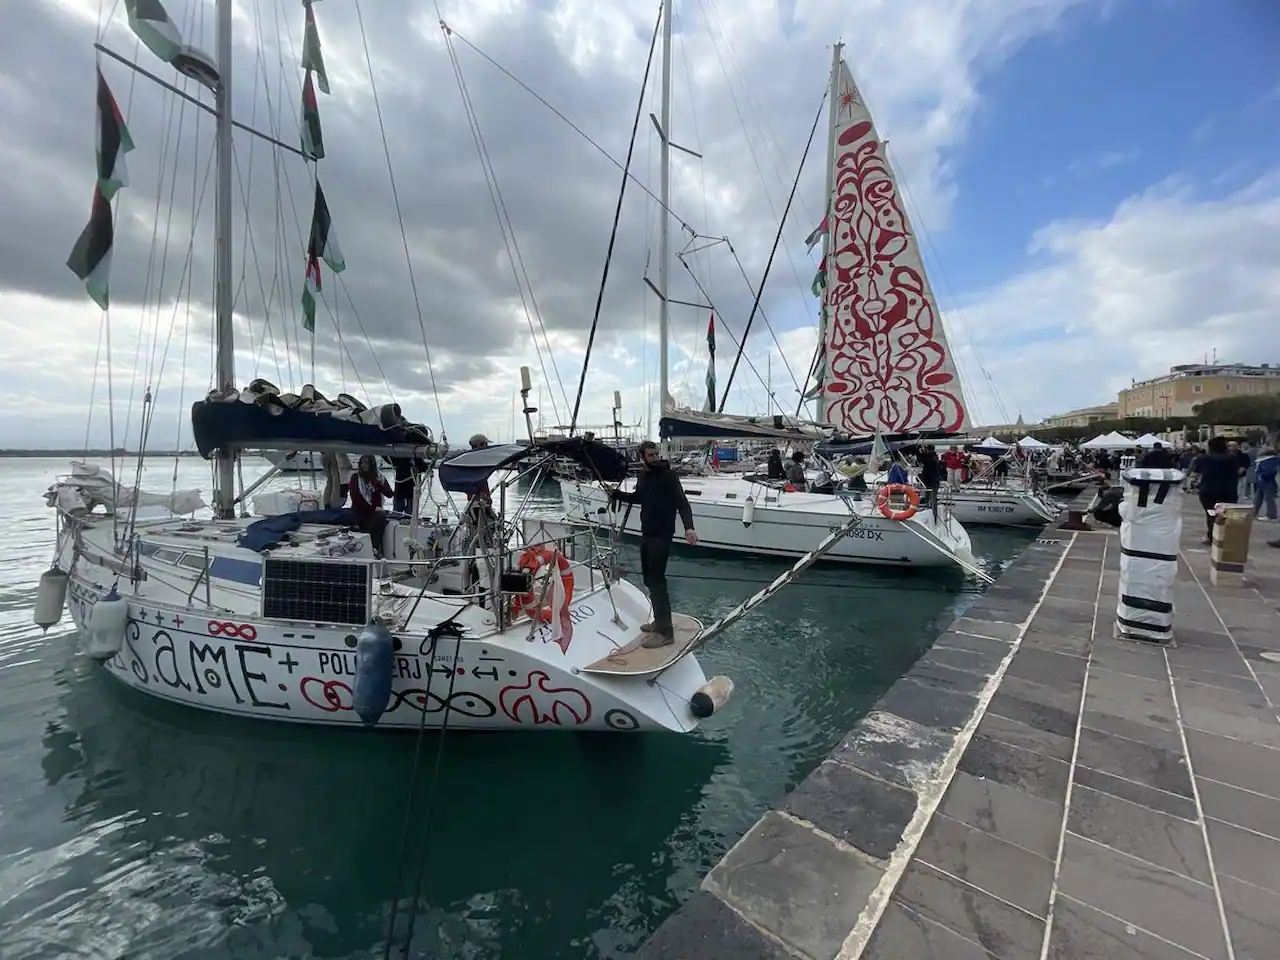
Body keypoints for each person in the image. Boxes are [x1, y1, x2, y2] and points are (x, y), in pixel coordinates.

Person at [609, 440, 697, 648]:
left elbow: (682, 503)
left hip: (662, 535)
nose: (655, 458)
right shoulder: (643, 476)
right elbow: (640, 497)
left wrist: (689, 527)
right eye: (651, 455)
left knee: (657, 581)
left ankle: (666, 633)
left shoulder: (668, 476)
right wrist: (617, 494)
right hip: (647, 533)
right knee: (649, 579)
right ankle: (659, 621)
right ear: (642, 458)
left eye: (656, 454)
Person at [1193, 437, 1240, 545]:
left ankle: (1212, 536)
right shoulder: (1234, 458)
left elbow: (1197, 471)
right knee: (1226, 515)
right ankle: (1225, 536)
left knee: (1211, 514)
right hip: (1229, 490)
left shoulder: (1203, 458)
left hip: (1209, 490)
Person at [349, 455, 394, 556]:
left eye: (366, 463)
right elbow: (356, 498)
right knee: (377, 518)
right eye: (362, 463)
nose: (364, 465)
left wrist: (378, 485)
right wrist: (373, 508)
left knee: (380, 518)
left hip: (376, 513)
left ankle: (375, 549)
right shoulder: (355, 478)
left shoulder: (379, 478)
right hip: (360, 512)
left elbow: (389, 494)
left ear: (372, 464)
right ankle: (373, 549)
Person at [1253, 445, 1278, 521]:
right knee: (1258, 498)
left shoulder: (1269, 460)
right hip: (1263, 481)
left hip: (1267, 481)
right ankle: (1253, 513)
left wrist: (1261, 474)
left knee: (1268, 498)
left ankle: (1271, 515)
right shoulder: (1266, 459)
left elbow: (1271, 471)